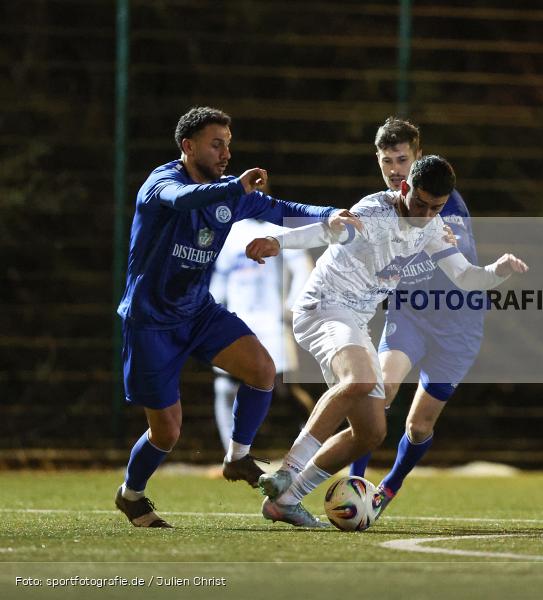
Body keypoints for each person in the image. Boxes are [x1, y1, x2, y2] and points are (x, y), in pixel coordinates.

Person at [245, 155, 528, 527]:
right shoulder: (374, 211)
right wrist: (276, 241)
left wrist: (498, 271)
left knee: (371, 432)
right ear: (405, 188)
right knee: (359, 380)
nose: (426, 214)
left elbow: (465, 276)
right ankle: (287, 470)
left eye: (436, 208)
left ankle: (287, 500)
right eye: (421, 203)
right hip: (323, 307)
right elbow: (329, 231)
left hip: (355, 321)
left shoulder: (430, 226)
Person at [114, 106, 360, 528]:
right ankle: (131, 495)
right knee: (167, 432)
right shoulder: (162, 183)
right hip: (151, 320)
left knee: (262, 369)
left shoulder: (228, 191)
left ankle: (238, 457)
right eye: (216, 144)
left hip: (197, 311)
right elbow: (181, 199)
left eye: (228, 144)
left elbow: (279, 207)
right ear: (188, 147)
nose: (226, 153)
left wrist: (328, 214)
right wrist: (232, 190)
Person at [346, 117, 483, 517]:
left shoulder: (444, 201)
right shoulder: (379, 206)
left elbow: (461, 268)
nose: (394, 169)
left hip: (458, 326)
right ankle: (355, 484)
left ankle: (388, 488)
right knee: (378, 393)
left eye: (402, 159)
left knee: (418, 427)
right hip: (409, 316)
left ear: (418, 157)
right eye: (387, 160)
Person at [209, 218, 316, 452]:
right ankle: (232, 455)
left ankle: (313, 448)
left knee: (284, 389)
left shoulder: (279, 228)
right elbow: (220, 277)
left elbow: (303, 269)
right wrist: (213, 312)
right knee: (225, 386)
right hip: (237, 320)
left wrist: (291, 307)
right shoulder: (231, 232)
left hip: (272, 321)